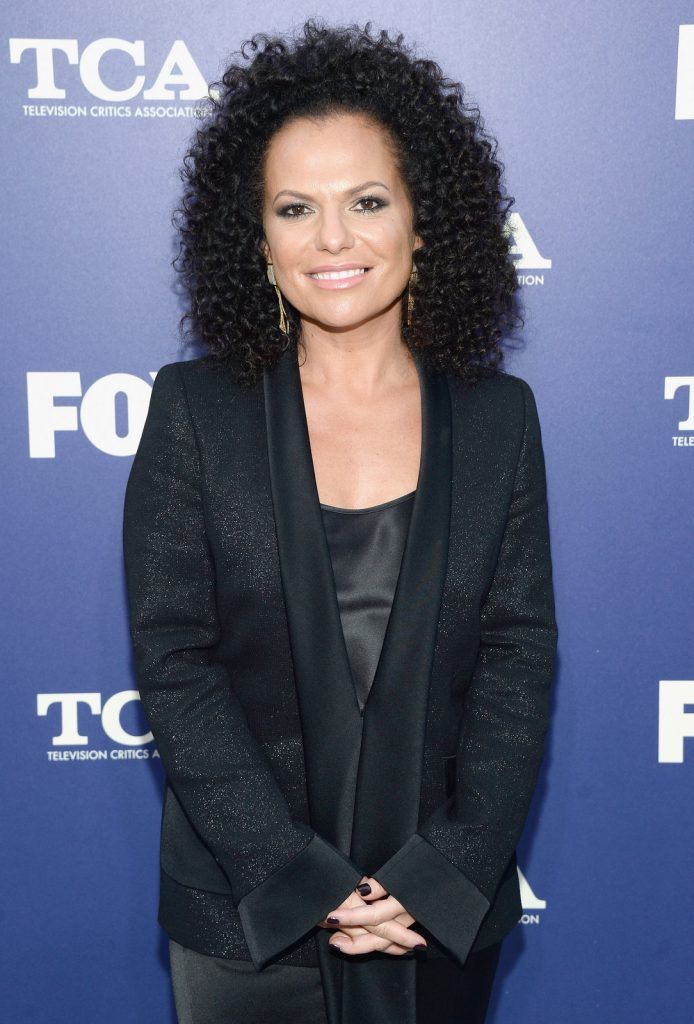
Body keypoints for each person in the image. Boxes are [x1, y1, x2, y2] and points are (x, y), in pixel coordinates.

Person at [122, 18, 558, 1024]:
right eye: (294, 207)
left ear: (421, 222)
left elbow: (517, 654)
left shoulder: (499, 419)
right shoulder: (195, 410)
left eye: (366, 201)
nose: (332, 239)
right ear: (256, 237)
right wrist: (301, 876)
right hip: (246, 909)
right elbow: (175, 659)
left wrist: (446, 867)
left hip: (435, 912)